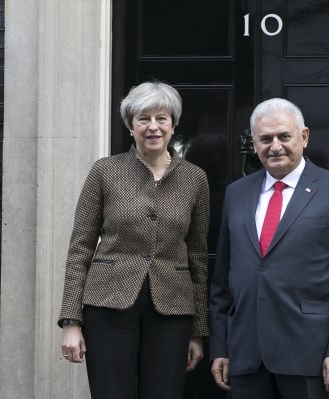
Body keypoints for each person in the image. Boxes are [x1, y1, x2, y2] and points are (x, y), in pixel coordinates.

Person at [58, 81, 210, 399]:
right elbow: (80, 247)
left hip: (172, 308)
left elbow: (197, 254)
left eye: (161, 118)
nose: (152, 126)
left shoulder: (195, 178)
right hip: (108, 306)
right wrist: (71, 321)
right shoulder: (105, 172)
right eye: (143, 119)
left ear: (173, 125)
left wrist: (198, 330)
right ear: (130, 126)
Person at [209, 98, 329, 399]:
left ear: (304, 137)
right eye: (265, 139)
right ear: (254, 144)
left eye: (284, 136)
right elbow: (222, 279)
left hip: (311, 354)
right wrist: (221, 346)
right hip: (246, 353)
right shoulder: (236, 193)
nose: (275, 146)